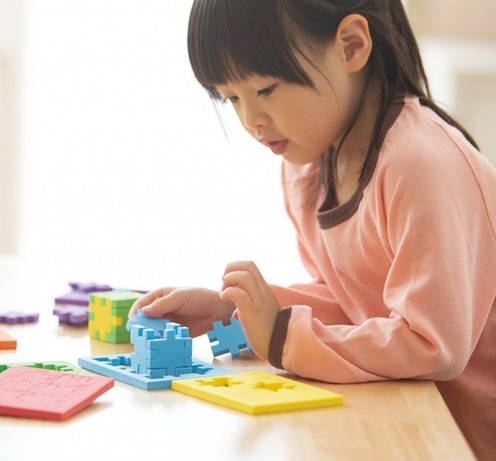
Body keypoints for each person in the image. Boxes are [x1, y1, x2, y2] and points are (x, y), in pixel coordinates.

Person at [128, 0, 496, 459]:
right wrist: (237, 313)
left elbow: (432, 344)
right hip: (402, 423)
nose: (251, 121)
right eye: (231, 98)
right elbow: (352, 304)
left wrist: (282, 335)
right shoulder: (306, 165)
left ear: (351, 46)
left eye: (265, 88)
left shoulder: (420, 165)